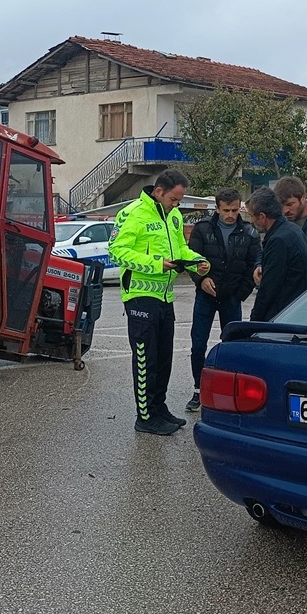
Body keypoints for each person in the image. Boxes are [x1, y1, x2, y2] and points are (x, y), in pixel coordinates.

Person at [108, 168, 210, 436]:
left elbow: (179, 250)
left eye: (179, 200)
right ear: (159, 191)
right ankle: (145, 416)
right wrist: (156, 264)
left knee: (164, 358)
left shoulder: (173, 216)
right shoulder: (132, 214)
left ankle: (159, 408)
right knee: (146, 360)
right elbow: (116, 251)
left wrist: (195, 261)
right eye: (174, 199)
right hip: (140, 297)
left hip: (165, 296)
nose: (177, 204)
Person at [185, 187, 261, 412]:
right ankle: (198, 390)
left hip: (231, 298)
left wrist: (240, 294)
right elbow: (192, 260)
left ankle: (227, 391)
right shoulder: (202, 229)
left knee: (231, 346)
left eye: (235, 210)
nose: (230, 214)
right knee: (198, 345)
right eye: (226, 210)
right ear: (217, 208)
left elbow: (254, 263)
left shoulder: (249, 231)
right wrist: (201, 280)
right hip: (205, 296)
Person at [247, 187, 307, 322]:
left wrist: (253, 323)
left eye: (252, 216)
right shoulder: (293, 230)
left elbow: (268, 289)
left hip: (282, 316)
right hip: (295, 310)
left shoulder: (278, 240)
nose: (251, 221)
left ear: (262, 216)